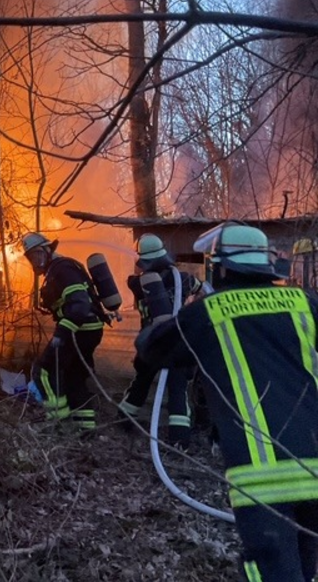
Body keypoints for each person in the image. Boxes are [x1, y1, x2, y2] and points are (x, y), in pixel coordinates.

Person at [136, 222, 318, 581]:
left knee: (270, 569)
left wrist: (152, 327)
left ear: (219, 268)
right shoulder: (305, 304)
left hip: (263, 472)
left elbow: (154, 349)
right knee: (305, 563)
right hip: (316, 464)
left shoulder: (210, 312)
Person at [117, 233, 203, 449]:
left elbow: (136, 282)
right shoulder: (183, 279)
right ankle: (179, 440)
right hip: (177, 345)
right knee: (177, 390)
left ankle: (122, 422)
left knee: (141, 384)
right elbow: (201, 289)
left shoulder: (138, 283)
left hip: (152, 345)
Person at [22, 232, 107, 432]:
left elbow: (79, 306)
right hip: (88, 329)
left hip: (79, 330)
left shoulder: (63, 270)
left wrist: (61, 335)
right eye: (31, 257)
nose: (34, 261)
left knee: (43, 369)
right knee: (74, 377)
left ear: (47, 250)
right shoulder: (57, 270)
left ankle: (58, 422)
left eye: (36, 255)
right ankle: (85, 429)